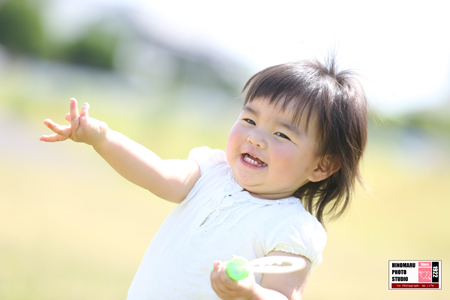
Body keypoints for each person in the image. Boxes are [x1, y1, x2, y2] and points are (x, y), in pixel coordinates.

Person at [40, 56, 367, 300]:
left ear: (322, 166)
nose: (256, 138)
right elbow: (157, 173)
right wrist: (104, 139)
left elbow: (284, 295)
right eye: (250, 120)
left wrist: (251, 292)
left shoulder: (293, 229)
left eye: (282, 134)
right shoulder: (210, 169)